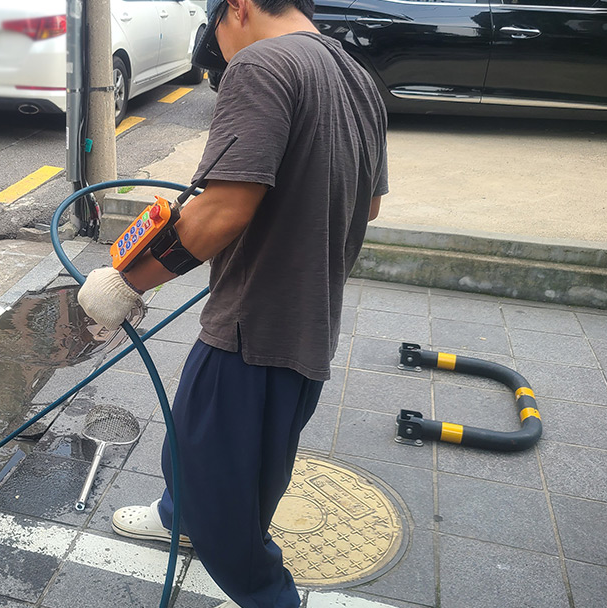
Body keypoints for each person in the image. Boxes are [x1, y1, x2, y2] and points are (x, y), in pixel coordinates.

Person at [76, 0, 388, 606]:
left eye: (215, 32)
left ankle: (268, 594)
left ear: (238, 6)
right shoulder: (357, 75)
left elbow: (223, 209)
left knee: (229, 512)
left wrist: (126, 284)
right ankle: (179, 517)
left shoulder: (263, 64)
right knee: (210, 445)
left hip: (254, 330)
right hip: (308, 323)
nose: (221, 54)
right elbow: (368, 206)